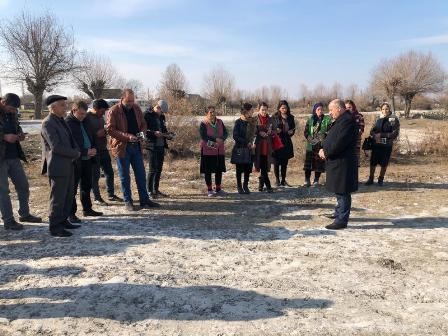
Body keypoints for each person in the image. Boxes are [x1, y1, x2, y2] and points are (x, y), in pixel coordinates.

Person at [106, 89, 159, 210]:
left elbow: (143, 124)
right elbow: (110, 129)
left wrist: (142, 134)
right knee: (125, 176)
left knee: (141, 174)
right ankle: (128, 201)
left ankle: (144, 200)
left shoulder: (136, 108)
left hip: (136, 146)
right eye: (128, 100)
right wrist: (127, 136)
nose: (130, 103)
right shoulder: (114, 110)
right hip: (122, 147)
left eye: (132, 100)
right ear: (122, 98)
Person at [0, 93, 42, 231]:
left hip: (13, 155)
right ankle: (8, 220)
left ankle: (24, 214)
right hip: (1, 159)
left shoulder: (11, 113)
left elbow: (16, 126)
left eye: (15, 110)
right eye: (12, 109)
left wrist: (20, 134)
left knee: (23, 186)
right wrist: (4, 136)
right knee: (3, 191)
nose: (13, 111)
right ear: (3, 102)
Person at [41, 95, 81, 237]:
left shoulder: (61, 120)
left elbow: (71, 140)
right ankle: (55, 226)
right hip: (58, 166)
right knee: (58, 198)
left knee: (68, 195)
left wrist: (77, 151)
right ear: (53, 107)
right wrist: (75, 154)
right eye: (63, 105)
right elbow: (56, 146)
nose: (66, 108)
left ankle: (63, 221)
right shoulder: (48, 123)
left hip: (68, 164)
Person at [319, 99, 358, 230]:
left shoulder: (347, 121)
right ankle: (338, 213)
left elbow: (340, 143)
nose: (329, 113)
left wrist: (326, 152)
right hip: (338, 162)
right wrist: (323, 149)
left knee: (343, 191)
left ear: (339, 109)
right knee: (339, 190)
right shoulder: (341, 120)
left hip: (343, 162)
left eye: (331, 110)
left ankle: (341, 220)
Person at [65, 100, 103, 223]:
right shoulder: (68, 123)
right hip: (75, 160)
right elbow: (70, 145)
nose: (83, 116)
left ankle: (87, 209)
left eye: (84, 114)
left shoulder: (86, 121)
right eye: (81, 113)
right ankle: (71, 213)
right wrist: (85, 151)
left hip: (88, 159)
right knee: (72, 187)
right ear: (74, 110)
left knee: (86, 185)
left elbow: (91, 136)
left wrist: (94, 149)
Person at [86, 99, 122, 206]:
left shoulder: (101, 117)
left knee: (109, 173)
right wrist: (97, 134)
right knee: (95, 176)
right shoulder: (87, 118)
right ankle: (97, 198)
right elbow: (85, 136)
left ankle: (111, 195)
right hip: (94, 151)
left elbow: (103, 129)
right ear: (96, 108)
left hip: (103, 149)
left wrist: (106, 131)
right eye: (102, 111)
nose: (104, 113)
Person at [144, 100, 173, 199]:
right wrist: (153, 133)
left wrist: (168, 135)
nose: (162, 113)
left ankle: (156, 190)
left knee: (159, 169)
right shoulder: (147, 115)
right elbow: (143, 131)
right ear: (157, 107)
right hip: (151, 145)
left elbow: (164, 130)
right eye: (161, 111)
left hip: (161, 145)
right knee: (152, 169)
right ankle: (149, 191)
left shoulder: (162, 117)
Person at [365, 102, 400, 186]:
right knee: (373, 162)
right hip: (376, 144)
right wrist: (374, 135)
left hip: (387, 145)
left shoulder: (394, 119)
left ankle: (381, 179)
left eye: (386, 109)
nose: (385, 111)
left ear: (389, 109)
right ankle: (371, 179)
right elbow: (371, 131)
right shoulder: (377, 118)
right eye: (383, 109)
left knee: (384, 163)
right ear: (381, 110)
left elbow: (394, 134)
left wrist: (382, 135)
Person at [199, 106, 228, 197]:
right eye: (210, 112)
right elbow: (204, 136)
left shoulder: (220, 122)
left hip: (219, 149)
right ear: (206, 113)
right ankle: (210, 189)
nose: (212, 114)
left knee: (219, 169)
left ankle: (218, 189)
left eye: (213, 111)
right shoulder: (203, 123)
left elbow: (226, 133)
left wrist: (222, 139)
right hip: (208, 150)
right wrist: (215, 140)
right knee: (208, 170)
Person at [303, 102, 331, 187]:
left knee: (318, 163)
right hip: (311, 144)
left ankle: (316, 180)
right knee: (308, 164)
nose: (320, 111)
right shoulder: (310, 119)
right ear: (315, 110)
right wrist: (310, 139)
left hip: (321, 145)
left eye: (322, 109)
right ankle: (307, 180)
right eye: (318, 109)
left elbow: (329, 130)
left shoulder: (327, 119)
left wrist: (323, 135)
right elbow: (306, 131)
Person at [231, 103, 256, 194]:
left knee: (248, 168)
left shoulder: (253, 121)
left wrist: (254, 143)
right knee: (239, 169)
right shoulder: (238, 122)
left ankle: (245, 185)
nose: (252, 112)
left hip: (250, 149)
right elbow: (235, 136)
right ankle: (239, 186)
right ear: (245, 111)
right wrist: (246, 142)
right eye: (251, 110)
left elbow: (255, 134)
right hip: (240, 148)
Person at [272, 100, 295, 187]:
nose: (284, 110)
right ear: (279, 108)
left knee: (285, 162)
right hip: (277, 141)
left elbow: (293, 128)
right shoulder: (274, 117)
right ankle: (277, 180)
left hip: (286, 142)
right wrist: (276, 131)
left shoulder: (291, 117)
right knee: (276, 162)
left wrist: (291, 132)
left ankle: (283, 180)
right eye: (282, 108)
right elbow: (271, 128)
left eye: (285, 108)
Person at [254, 102, 274, 193]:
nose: (264, 111)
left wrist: (271, 131)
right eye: (262, 109)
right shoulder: (255, 119)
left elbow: (275, 131)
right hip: (258, 146)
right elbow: (252, 132)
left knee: (264, 166)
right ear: (258, 110)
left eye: (265, 109)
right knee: (261, 165)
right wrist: (259, 132)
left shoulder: (270, 119)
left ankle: (261, 186)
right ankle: (268, 186)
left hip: (268, 146)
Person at [345, 99, 365, 167]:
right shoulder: (343, 117)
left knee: (355, 160)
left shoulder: (359, 116)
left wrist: (353, 132)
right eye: (346, 108)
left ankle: (354, 176)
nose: (348, 109)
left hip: (356, 141)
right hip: (345, 141)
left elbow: (361, 129)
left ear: (353, 107)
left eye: (349, 107)